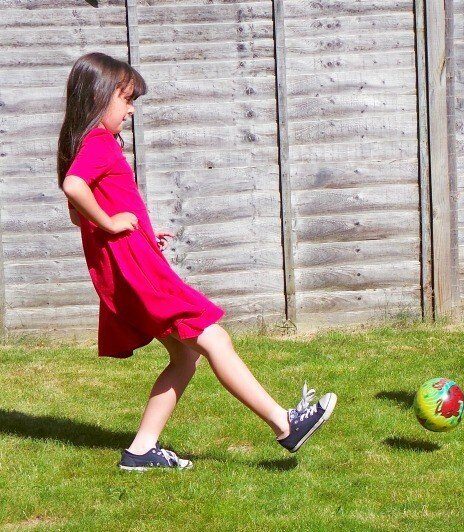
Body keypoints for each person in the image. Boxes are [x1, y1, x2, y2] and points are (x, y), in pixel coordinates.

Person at [58, 52, 336, 470]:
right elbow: (74, 187)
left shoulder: (90, 143)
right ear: (101, 97)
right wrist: (113, 225)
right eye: (127, 99)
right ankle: (285, 425)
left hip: (136, 266)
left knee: (185, 356)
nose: (131, 110)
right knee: (215, 338)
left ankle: (140, 452)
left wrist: (143, 235)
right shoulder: (98, 143)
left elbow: (82, 206)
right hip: (141, 274)